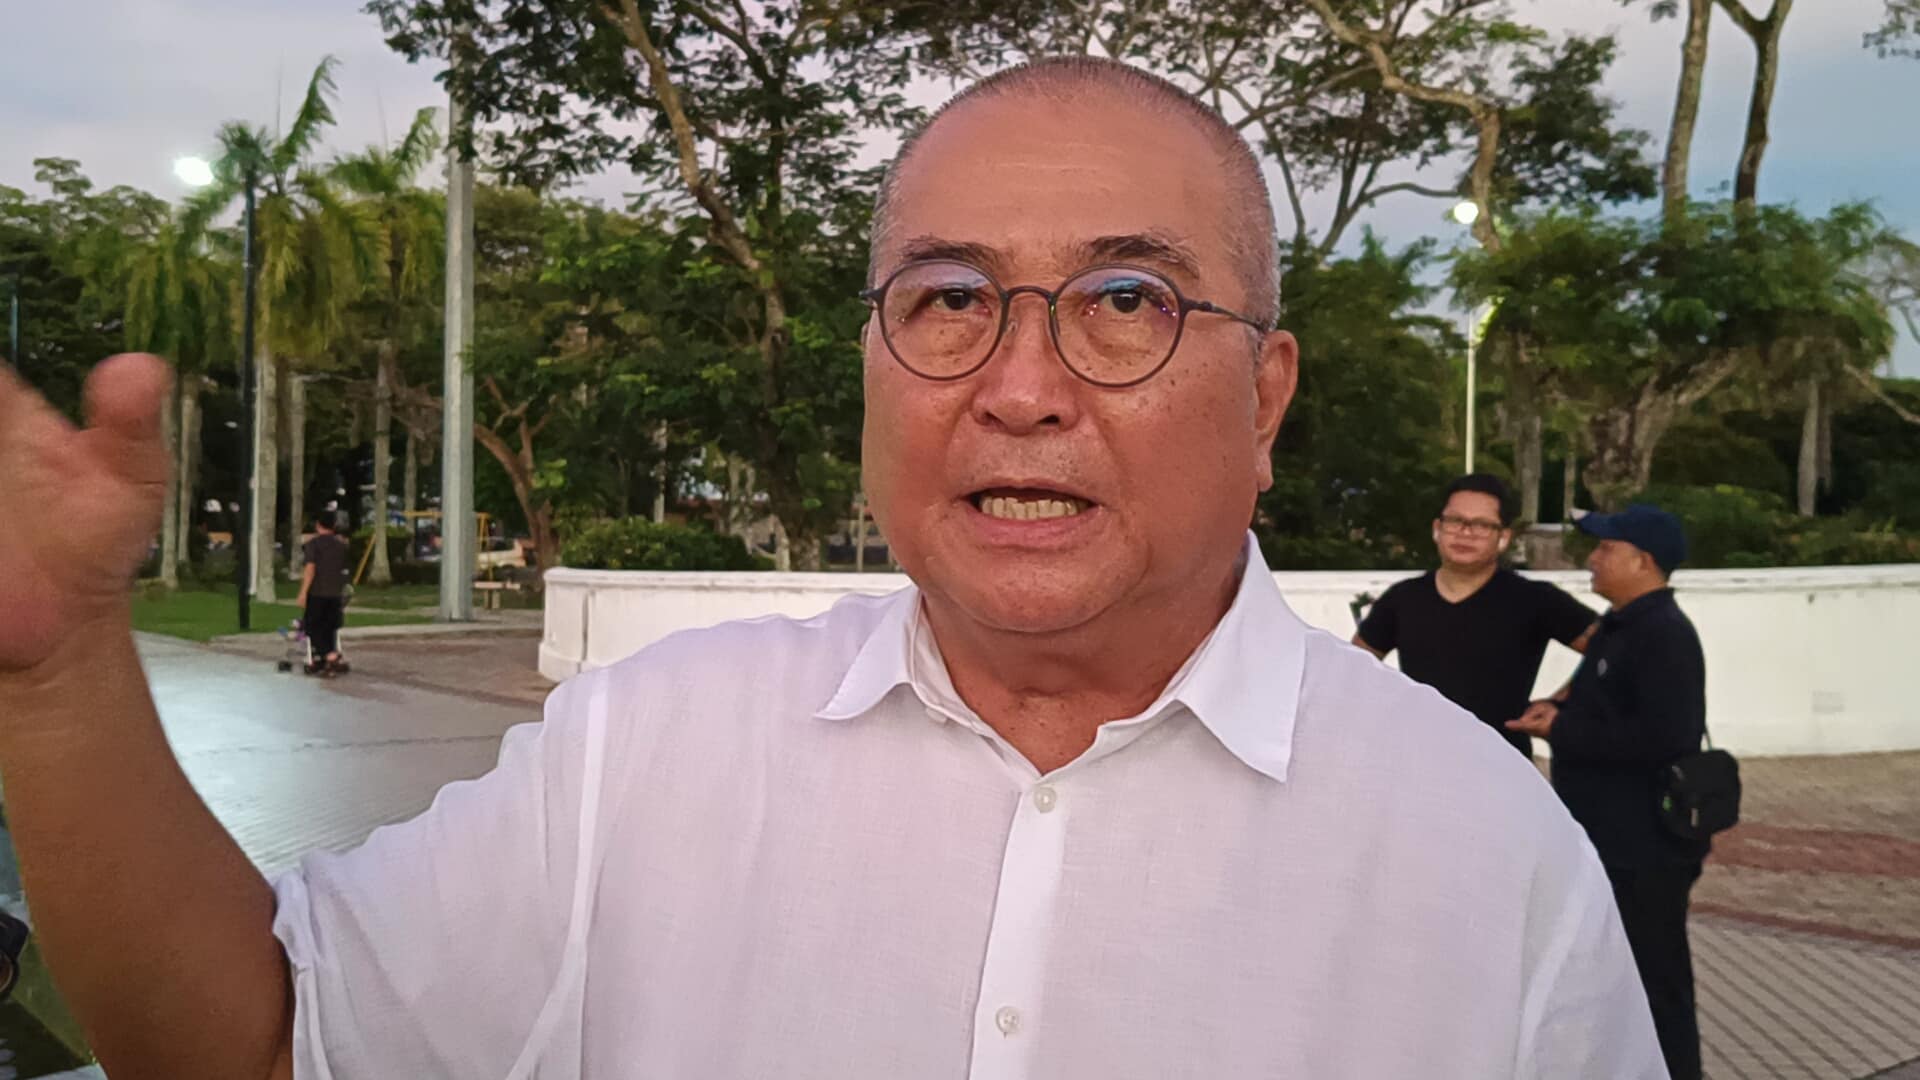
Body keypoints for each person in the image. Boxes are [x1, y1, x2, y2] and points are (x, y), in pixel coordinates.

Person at [0, 58, 1665, 1079]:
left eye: (1127, 302)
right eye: (949, 299)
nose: (1022, 385)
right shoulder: (649, 750)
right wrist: (63, 669)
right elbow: (262, 1044)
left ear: (1267, 397)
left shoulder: (1487, 859)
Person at [1507, 503, 1709, 1080]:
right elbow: (1599, 701)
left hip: (1646, 849)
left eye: (1605, 548)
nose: (1592, 559)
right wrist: (1555, 707)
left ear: (1642, 560)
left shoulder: (1664, 635)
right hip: (1609, 840)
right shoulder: (1620, 627)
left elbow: (1666, 737)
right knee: (1610, 978)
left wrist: (1561, 731)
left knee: (1656, 980)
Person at [1353, 474, 1597, 757]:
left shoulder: (1534, 599)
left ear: (1503, 537)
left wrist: (1560, 703)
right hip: (1417, 759)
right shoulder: (1403, 599)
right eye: (1455, 521)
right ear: (1437, 529)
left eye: (1481, 525)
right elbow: (1354, 667)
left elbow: (1613, 650)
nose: (1465, 533)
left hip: (1502, 762)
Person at [294, 513, 351, 674]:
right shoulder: (341, 545)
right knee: (330, 627)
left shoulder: (313, 545)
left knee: (313, 627)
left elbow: (310, 569)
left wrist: (303, 592)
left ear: (318, 525)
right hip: (335, 593)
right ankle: (328, 655)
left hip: (318, 592)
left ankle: (329, 655)